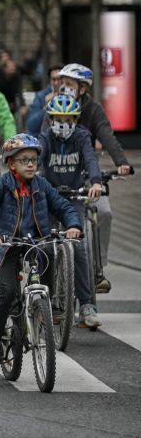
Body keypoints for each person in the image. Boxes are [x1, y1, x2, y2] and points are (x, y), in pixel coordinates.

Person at [0, 134, 82, 371]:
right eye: (24, 160)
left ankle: (46, 305)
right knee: (8, 291)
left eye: (34, 160)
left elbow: (63, 206)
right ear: (11, 164)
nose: (31, 164)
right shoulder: (3, 185)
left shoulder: (41, 185)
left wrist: (73, 225)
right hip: (6, 246)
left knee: (49, 251)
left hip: (34, 242)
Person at [54, 64, 131, 293]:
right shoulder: (54, 106)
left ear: (83, 89)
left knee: (104, 212)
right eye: (62, 83)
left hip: (88, 174)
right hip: (59, 174)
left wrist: (122, 162)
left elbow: (105, 134)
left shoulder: (93, 109)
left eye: (69, 84)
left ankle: (98, 270)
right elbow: (42, 139)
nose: (64, 87)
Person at [38, 94, 103, 327]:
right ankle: (43, 300)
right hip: (49, 197)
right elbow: (38, 158)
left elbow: (90, 159)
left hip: (74, 198)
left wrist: (96, 181)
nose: (63, 124)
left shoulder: (82, 137)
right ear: (51, 119)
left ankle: (87, 305)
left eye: (68, 119)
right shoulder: (45, 137)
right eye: (58, 118)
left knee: (79, 246)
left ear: (76, 120)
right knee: (44, 246)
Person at [26, 63, 63, 136]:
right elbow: (31, 125)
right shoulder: (41, 96)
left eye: (59, 79)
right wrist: (46, 107)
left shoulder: (70, 95)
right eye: (53, 79)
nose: (56, 83)